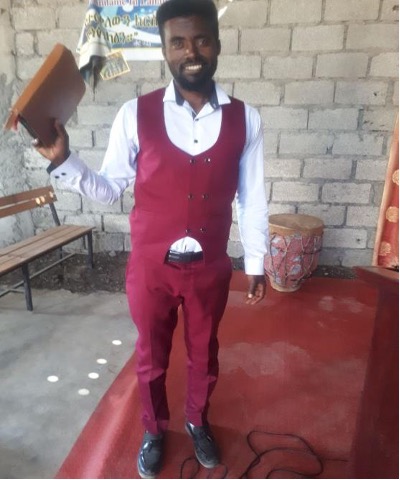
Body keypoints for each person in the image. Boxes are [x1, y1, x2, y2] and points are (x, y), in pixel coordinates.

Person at [34, 0, 269, 477]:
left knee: (205, 354)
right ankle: (154, 429)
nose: (191, 51)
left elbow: (252, 198)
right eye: (178, 42)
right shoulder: (133, 114)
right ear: (165, 49)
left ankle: (197, 420)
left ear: (217, 45)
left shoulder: (248, 119)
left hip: (209, 267)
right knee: (151, 356)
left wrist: (256, 260)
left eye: (201, 39)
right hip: (151, 268)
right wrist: (64, 161)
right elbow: (109, 189)